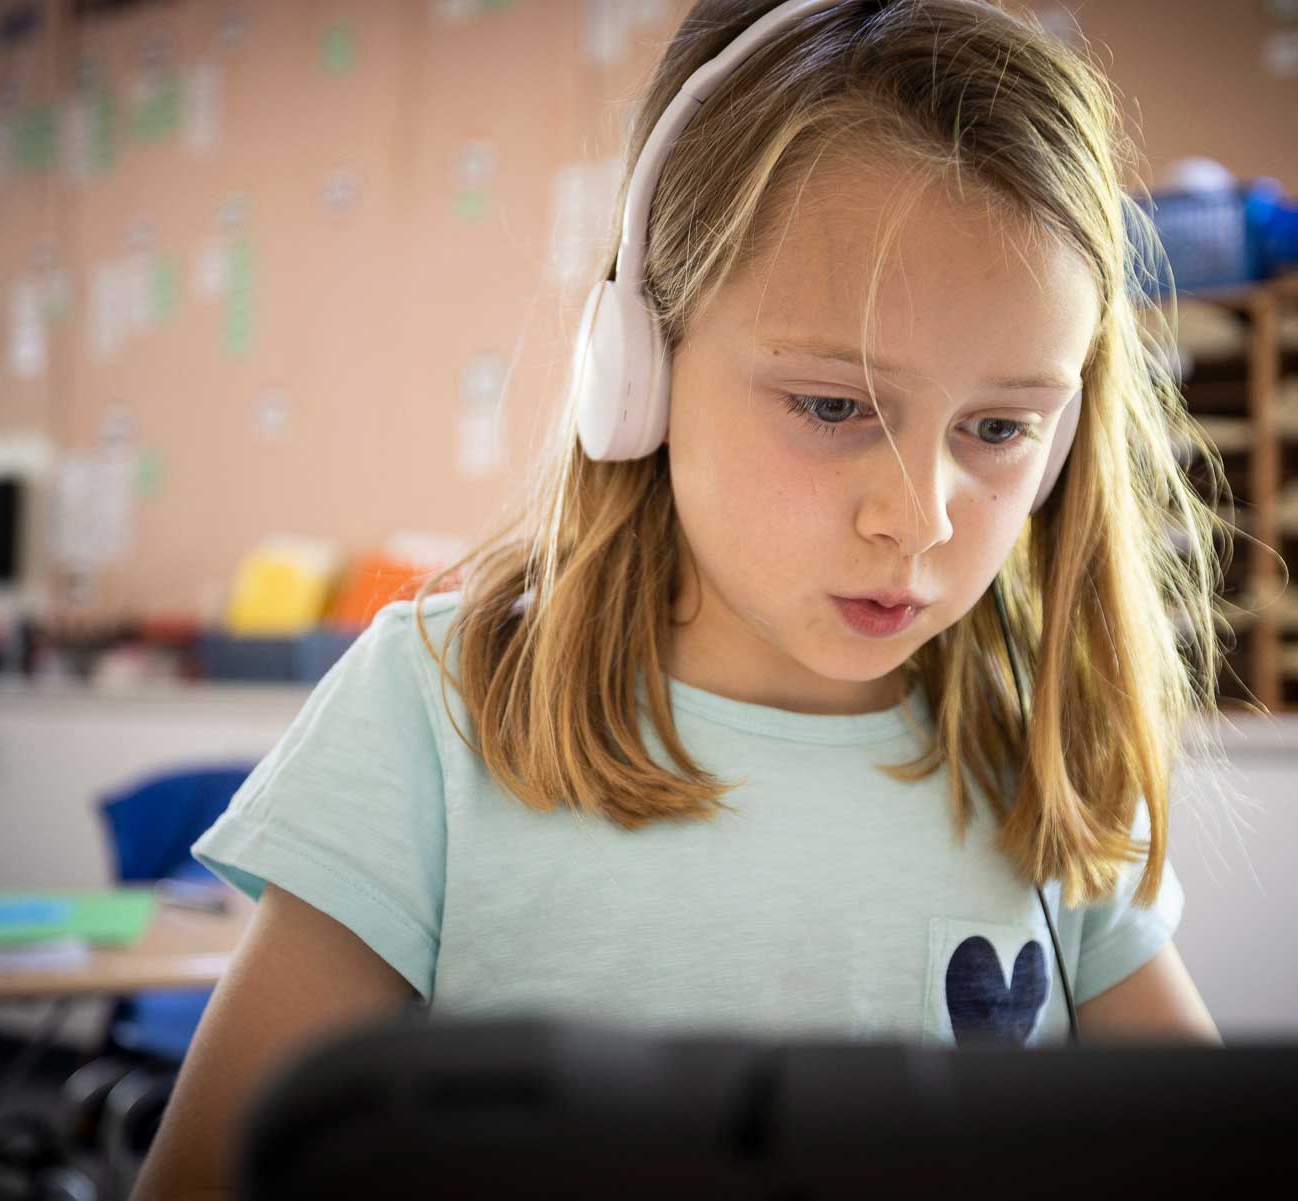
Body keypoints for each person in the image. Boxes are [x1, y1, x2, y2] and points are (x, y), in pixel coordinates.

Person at [132, 2, 1238, 1196]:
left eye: (1001, 428)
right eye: (831, 405)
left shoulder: (1039, 750)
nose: (919, 516)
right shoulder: (441, 709)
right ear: (637, 364)